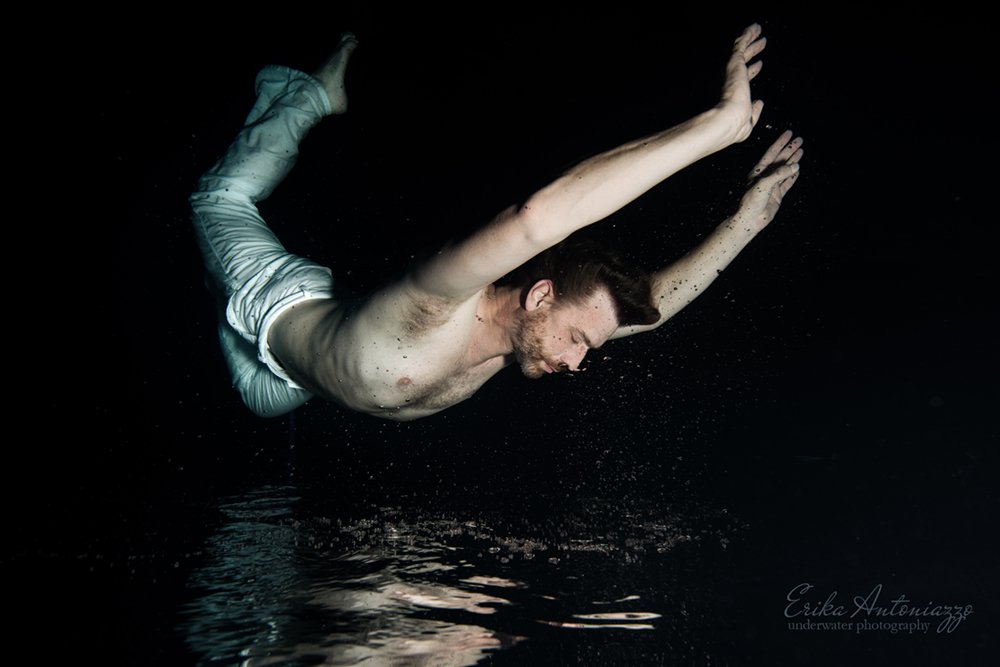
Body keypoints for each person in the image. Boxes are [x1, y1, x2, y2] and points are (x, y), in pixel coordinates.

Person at [190, 24, 803, 421]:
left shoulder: (528, 338)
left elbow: (657, 307)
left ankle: (219, 306)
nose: (579, 361)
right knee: (215, 202)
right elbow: (539, 219)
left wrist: (747, 220)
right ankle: (311, 97)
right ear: (540, 294)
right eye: (578, 341)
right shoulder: (434, 304)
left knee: (255, 400)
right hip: (275, 304)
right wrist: (713, 132)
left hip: (288, 384)